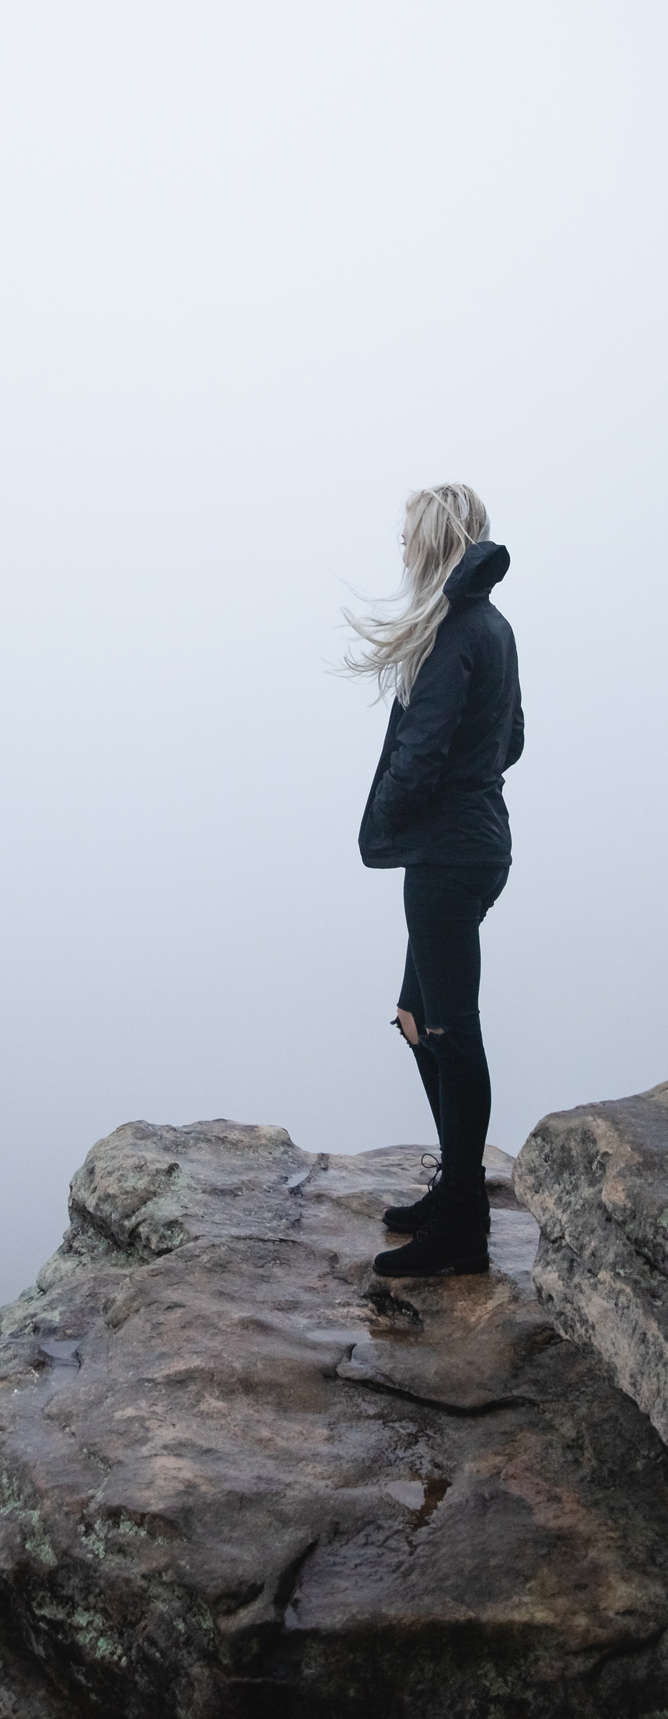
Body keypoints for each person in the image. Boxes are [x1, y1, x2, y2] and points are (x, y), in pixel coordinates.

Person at [345, 484, 523, 1277]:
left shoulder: (455, 628)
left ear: (433, 538)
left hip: (449, 857)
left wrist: (390, 809)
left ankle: (462, 1226)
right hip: (474, 846)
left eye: (407, 534)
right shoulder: (491, 624)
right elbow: (511, 738)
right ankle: (457, 1191)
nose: (402, 547)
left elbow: (422, 751)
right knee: (419, 1019)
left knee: (450, 1031)